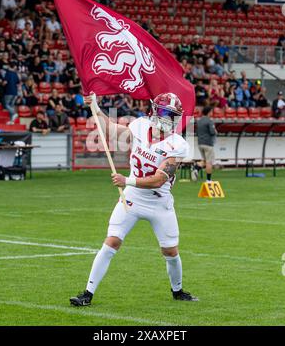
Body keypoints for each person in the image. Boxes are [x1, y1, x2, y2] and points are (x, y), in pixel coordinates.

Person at [70, 92, 199, 306]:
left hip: (159, 202)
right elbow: (111, 130)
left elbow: (159, 180)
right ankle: (87, 293)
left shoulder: (178, 144)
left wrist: (127, 180)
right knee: (112, 241)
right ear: (155, 110)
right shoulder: (139, 125)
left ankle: (177, 291)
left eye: (173, 115)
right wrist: (95, 106)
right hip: (132, 198)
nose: (169, 119)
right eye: (166, 113)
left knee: (170, 250)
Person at [195, 106, 217, 182]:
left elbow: (197, 132)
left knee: (204, 160)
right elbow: (212, 132)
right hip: (208, 143)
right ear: (209, 112)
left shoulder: (199, 121)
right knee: (209, 162)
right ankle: (208, 180)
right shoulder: (209, 121)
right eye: (211, 111)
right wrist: (215, 131)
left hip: (200, 143)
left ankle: (196, 167)